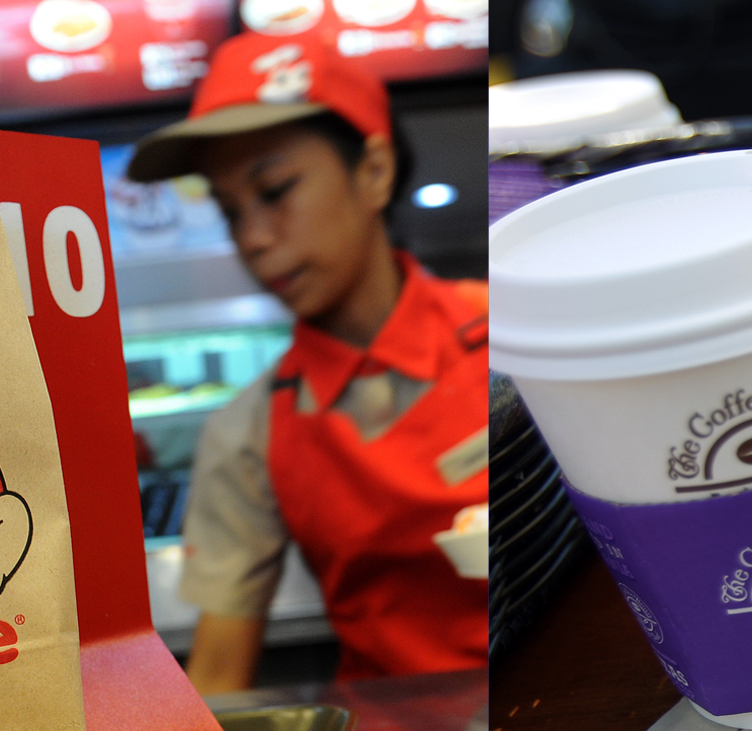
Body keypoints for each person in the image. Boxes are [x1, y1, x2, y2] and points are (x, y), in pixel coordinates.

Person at [128, 33, 488, 693]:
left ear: (373, 171)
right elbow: (218, 673)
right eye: (231, 211)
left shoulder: (507, 337)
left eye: (274, 191)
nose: (254, 239)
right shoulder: (249, 434)